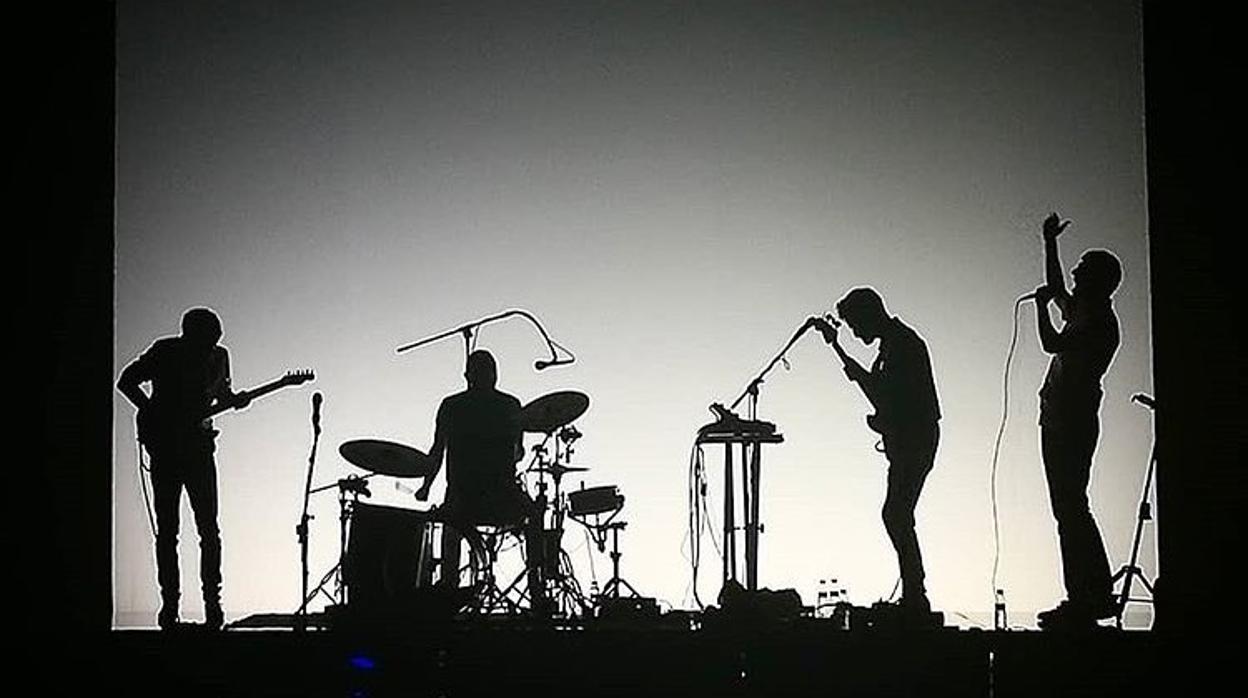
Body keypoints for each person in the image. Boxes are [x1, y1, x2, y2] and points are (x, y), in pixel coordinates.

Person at [810, 288, 941, 621]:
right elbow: (880, 392)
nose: (855, 332)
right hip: (910, 439)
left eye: (855, 324)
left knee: (896, 514)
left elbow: (884, 395)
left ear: (869, 314)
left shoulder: (902, 345)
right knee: (897, 515)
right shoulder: (894, 344)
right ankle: (914, 594)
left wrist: (844, 357)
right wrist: (839, 349)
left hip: (915, 440)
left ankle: (916, 596)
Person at [117, 307, 248, 630]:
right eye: (206, 339)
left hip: (201, 448)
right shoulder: (165, 351)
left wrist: (235, 399)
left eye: (215, 340)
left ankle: (212, 606)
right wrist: (152, 412)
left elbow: (222, 394)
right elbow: (126, 381)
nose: (211, 345)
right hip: (166, 451)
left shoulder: (219, 357)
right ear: (189, 334)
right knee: (169, 532)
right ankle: (170, 606)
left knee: (209, 529)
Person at [1031, 212, 1122, 629]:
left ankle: (1090, 597)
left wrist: (1039, 310)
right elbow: (1056, 288)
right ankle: (1089, 596)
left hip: (1070, 421)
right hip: (1060, 418)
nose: (1075, 272)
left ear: (1098, 279)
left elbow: (1051, 342)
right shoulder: (1087, 311)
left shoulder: (1098, 322)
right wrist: (1049, 241)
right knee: (1068, 507)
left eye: (1083, 268)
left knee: (1071, 508)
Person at [415, 350, 548, 613]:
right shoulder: (511, 406)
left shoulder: (451, 405)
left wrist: (426, 486)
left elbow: (436, 452)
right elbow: (518, 454)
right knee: (535, 517)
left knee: (449, 522)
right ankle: (537, 589)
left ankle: (449, 587)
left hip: (463, 498)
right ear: (494, 375)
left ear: (467, 376)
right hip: (502, 496)